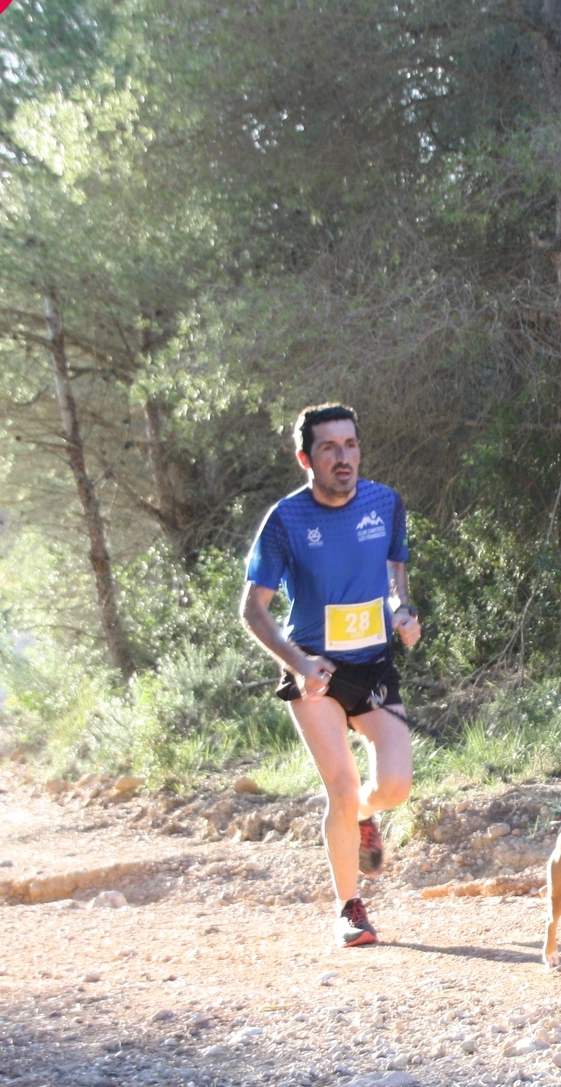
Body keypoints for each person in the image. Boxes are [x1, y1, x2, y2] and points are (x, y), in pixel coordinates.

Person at [239, 403, 421, 947]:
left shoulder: (385, 503)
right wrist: (298, 663)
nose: (343, 458)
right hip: (314, 670)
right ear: (306, 459)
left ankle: (363, 815)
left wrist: (403, 611)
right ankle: (349, 909)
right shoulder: (286, 520)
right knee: (339, 788)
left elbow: (394, 570)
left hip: (373, 666)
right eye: (328, 448)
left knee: (394, 786)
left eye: (351, 445)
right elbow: (253, 610)